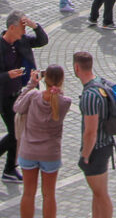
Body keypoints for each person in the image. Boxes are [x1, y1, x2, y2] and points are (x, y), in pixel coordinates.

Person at [0, 11, 50, 184]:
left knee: (18, 133)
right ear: (11, 28)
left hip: (20, 94)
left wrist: (35, 26)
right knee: (15, 133)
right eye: (22, 27)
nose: (24, 31)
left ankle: (9, 169)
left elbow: (43, 41)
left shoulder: (22, 41)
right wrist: (7, 75)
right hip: (4, 97)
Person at [15, 66, 72, 218]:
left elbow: (17, 106)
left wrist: (31, 85)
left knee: (28, 193)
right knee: (49, 195)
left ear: (44, 79)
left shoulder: (33, 95)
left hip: (28, 151)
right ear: (61, 80)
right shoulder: (65, 102)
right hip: (50, 153)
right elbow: (58, 99)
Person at [73, 51, 115, 218]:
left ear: (77, 68)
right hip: (105, 144)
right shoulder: (100, 83)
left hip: (95, 150)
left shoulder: (89, 95)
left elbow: (90, 132)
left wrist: (85, 155)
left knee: (101, 194)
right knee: (98, 194)